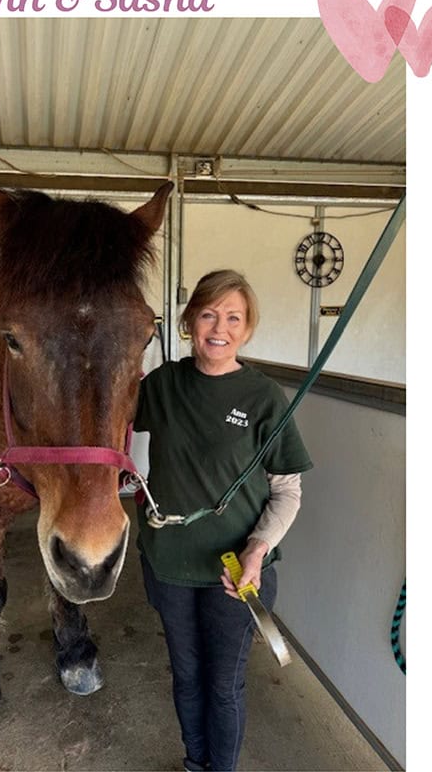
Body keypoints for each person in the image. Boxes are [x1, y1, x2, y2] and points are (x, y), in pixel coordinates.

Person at [133, 269, 313, 772]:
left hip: (236, 573)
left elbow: (288, 490)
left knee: (224, 685)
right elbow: (104, 419)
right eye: (209, 314)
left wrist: (257, 549)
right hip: (169, 564)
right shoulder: (162, 385)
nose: (220, 328)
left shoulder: (263, 397)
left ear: (247, 328)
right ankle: (196, 763)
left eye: (234, 317)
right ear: (190, 321)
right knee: (187, 677)